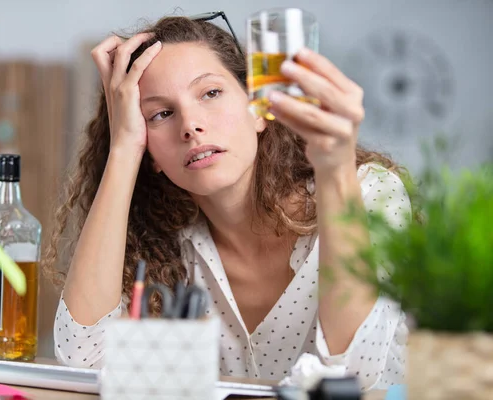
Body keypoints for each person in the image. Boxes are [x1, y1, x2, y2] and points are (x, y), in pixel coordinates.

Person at [42, 15, 411, 391]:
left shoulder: (367, 193)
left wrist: (335, 172)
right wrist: (123, 149)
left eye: (211, 93)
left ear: (258, 108)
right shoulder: (162, 242)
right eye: (161, 114)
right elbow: (81, 360)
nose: (190, 125)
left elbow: (356, 375)